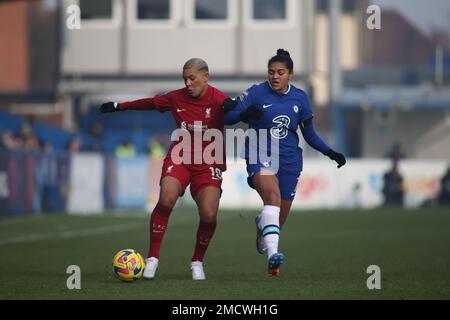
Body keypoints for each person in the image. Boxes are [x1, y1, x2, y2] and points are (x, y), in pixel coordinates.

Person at [100, 58, 234, 280]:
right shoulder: (176, 97)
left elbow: (238, 111)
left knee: (209, 215)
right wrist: (118, 106)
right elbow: (150, 103)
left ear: (205, 77)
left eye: (192, 78)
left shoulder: (219, 98)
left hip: (209, 162)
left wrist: (240, 108)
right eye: (185, 79)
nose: (188, 83)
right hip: (180, 156)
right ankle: (152, 258)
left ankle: (197, 261)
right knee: (165, 199)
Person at [224, 49, 346, 277]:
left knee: (277, 218)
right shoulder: (255, 92)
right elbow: (227, 118)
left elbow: (309, 134)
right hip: (259, 154)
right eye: (271, 72)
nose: (275, 77)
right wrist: (244, 113)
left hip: (290, 160)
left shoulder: (300, 98)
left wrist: (330, 152)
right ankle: (273, 258)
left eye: (280, 72)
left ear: (290, 74)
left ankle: (262, 225)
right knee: (273, 197)